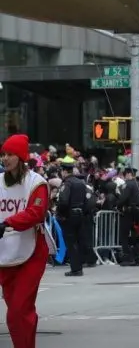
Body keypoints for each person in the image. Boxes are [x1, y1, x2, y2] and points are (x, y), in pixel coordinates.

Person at [0, 134, 50, 348]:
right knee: (15, 314)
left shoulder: (37, 183)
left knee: (19, 310)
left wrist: (8, 222)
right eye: (3, 154)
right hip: (5, 254)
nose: (5, 158)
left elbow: (36, 212)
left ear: (21, 157)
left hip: (32, 253)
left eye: (10, 154)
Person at [56, 163, 89, 277]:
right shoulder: (81, 183)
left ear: (64, 171)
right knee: (79, 241)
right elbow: (86, 201)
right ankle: (79, 266)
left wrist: (61, 214)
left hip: (70, 215)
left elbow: (63, 201)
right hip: (80, 214)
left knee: (71, 242)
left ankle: (75, 269)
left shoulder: (67, 183)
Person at [117, 166, 139, 266]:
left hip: (129, 212)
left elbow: (123, 198)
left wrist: (118, 205)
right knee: (136, 235)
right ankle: (136, 258)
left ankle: (128, 258)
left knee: (124, 235)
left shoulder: (127, 184)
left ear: (128, 174)